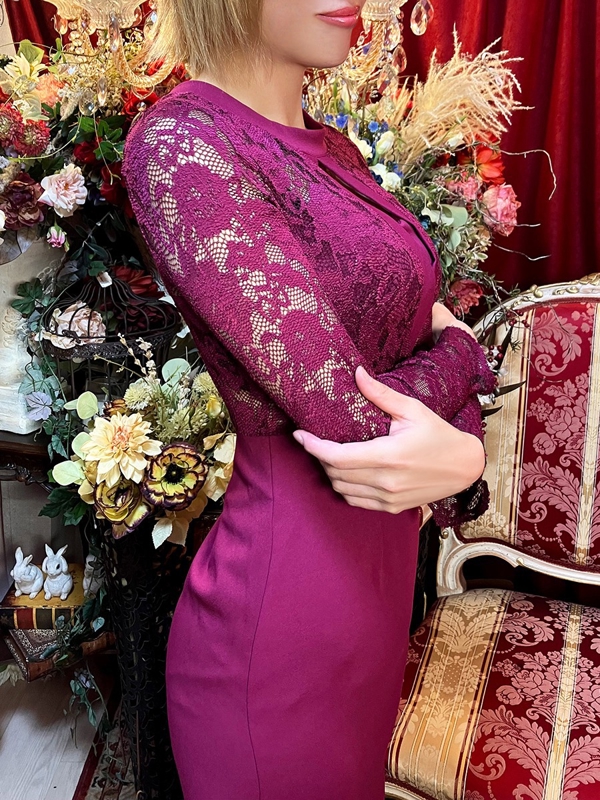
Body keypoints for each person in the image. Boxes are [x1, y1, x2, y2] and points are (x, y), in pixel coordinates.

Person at [122, 2, 496, 798]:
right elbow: (359, 425)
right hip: (281, 629)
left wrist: (449, 393)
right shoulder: (183, 146)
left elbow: (402, 357)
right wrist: (465, 365)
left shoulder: (336, 148)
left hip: (370, 610)